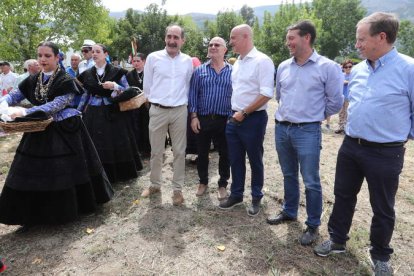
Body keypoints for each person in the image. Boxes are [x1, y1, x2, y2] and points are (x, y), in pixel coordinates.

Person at [313, 12, 414, 276]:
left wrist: (398, 135)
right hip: (351, 146)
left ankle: (380, 253)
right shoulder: (357, 70)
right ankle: (337, 240)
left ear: (381, 37)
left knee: (383, 205)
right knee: (343, 195)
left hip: (385, 152)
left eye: (361, 39)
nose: (356, 45)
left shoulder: (409, 69)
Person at [0, 41, 113, 230]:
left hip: (64, 131)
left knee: (62, 170)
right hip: (37, 129)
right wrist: (4, 103)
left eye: (47, 56)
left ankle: (66, 210)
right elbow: (16, 95)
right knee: (32, 169)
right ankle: (34, 213)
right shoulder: (33, 79)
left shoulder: (65, 79)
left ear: (57, 57)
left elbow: (57, 105)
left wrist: (26, 113)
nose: (42, 60)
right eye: (40, 56)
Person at [267, 20, 343, 245]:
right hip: (282, 128)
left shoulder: (327, 67)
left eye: (291, 38)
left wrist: (312, 117)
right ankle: (290, 211)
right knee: (288, 174)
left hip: (308, 131)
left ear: (306, 37)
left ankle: (312, 224)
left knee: (310, 180)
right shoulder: (283, 66)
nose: (287, 42)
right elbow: (279, 96)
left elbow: (335, 102)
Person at [218, 24, 274, 216]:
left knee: (255, 159)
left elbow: (266, 93)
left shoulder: (262, 61)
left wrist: (245, 112)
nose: (230, 42)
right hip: (234, 117)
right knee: (235, 158)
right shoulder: (238, 63)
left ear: (245, 37)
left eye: (233, 38)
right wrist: (236, 114)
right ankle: (236, 195)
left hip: (253, 118)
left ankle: (256, 196)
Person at [141, 24, 193, 206]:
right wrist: (154, 103)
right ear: (165, 38)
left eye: (176, 37)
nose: (172, 40)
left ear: (182, 40)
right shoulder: (153, 58)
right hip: (157, 110)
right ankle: (155, 184)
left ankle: (177, 189)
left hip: (179, 110)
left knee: (179, 151)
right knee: (156, 152)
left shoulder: (187, 61)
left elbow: (188, 86)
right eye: (169, 36)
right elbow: (147, 86)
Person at [77, 43, 143, 183]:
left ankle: (119, 173)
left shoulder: (117, 71)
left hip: (113, 111)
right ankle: (99, 173)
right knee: (96, 142)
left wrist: (115, 86)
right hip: (94, 112)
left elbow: (130, 89)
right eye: (92, 51)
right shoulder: (87, 74)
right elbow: (85, 95)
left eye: (98, 51)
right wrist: (79, 111)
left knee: (115, 141)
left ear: (105, 54)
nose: (94, 54)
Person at [188, 37, 232, 200]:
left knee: (225, 153)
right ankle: (203, 181)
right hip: (203, 118)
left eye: (217, 45)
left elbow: (236, 96)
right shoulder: (199, 71)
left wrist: (232, 118)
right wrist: (193, 116)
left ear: (225, 50)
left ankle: (222, 184)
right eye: (211, 44)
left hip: (225, 120)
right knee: (202, 152)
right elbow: (193, 94)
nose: (213, 47)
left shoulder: (233, 71)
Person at [125, 53, 151, 157]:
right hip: (135, 105)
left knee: (147, 126)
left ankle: (148, 149)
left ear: (144, 61)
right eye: (134, 61)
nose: (135, 63)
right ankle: (138, 149)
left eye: (138, 61)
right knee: (136, 127)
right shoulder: (129, 75)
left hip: (147, 105)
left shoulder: (149, 73)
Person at [335, 60, 353, 134]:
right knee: (341, 113)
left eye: (349, 66)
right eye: (346, 67)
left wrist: (346, 82)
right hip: (341, 97)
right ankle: (341, 127)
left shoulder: (354, 75)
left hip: (350, 97)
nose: (348, 68)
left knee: (348, 113)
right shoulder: (341, 75)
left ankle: (347, 128)